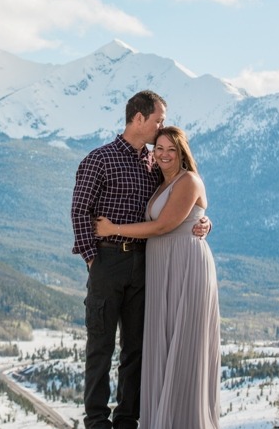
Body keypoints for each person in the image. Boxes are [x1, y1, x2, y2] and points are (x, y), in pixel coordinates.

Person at [71, 91, 210, 429]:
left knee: (136, 347)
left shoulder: (154, 163)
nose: (161, 126)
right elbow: (79, 213)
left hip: (146, 264)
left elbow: (180, 203)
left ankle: (127, 420)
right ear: (138, 119)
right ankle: (97, 421)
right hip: (107, 262)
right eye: (158, 119)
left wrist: (203, 220)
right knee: (100, 345)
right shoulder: (99, 159)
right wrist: (93, 261)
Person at [95, 126, 220, 429]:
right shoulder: (161, 182)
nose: (163, 154)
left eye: (171, 149)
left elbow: (164, 226)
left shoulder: (188, 180)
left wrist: (115, 230)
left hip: (185, 268)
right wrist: (205, 221)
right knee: (161, 344)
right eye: (158, 148)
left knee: (183, 343)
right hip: (161, 267)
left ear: (182, 152)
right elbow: (189, 217)